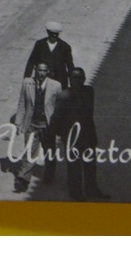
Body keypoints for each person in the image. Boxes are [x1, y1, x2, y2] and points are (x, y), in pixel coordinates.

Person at [10, 61, 63, 191]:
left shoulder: (56, 85)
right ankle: (22, 180)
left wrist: (59, 125)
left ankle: (49, 174)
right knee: (29, 152)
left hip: (48, 126)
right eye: (39, 70)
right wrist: (18, 123)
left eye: (44, 70)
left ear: (48, 72)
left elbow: (59, 108)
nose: (41, 73)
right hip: (32, 124)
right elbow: (22, 104)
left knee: (49, 152)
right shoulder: (27, 83)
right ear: (35, 70)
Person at [58, 68, 110, 200]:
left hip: (88, 136)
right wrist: (64, 137)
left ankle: (92, 190)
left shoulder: (89, 91)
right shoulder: (64, 95)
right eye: (74, 78)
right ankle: (76, 195)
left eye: (79, 78)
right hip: (72, 139)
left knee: (90, 166)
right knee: (74, 168)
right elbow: (57, 118)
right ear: (70, 80)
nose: (76, 80)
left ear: (84, 79)